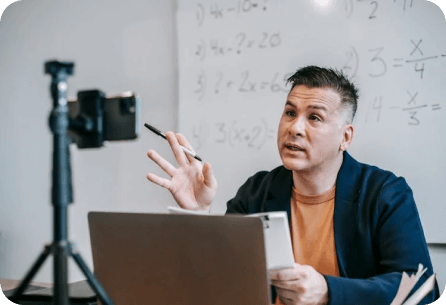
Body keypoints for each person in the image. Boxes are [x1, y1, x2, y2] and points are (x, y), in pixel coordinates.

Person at [146, 66, 439, 305]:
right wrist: (198, 213)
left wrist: (328, 291)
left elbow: (422, 288)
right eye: (290, 113)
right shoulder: (258, 190)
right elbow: (219, 282)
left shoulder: (385, 192)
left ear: (345, 137)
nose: (294, 128)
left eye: (314, 117)